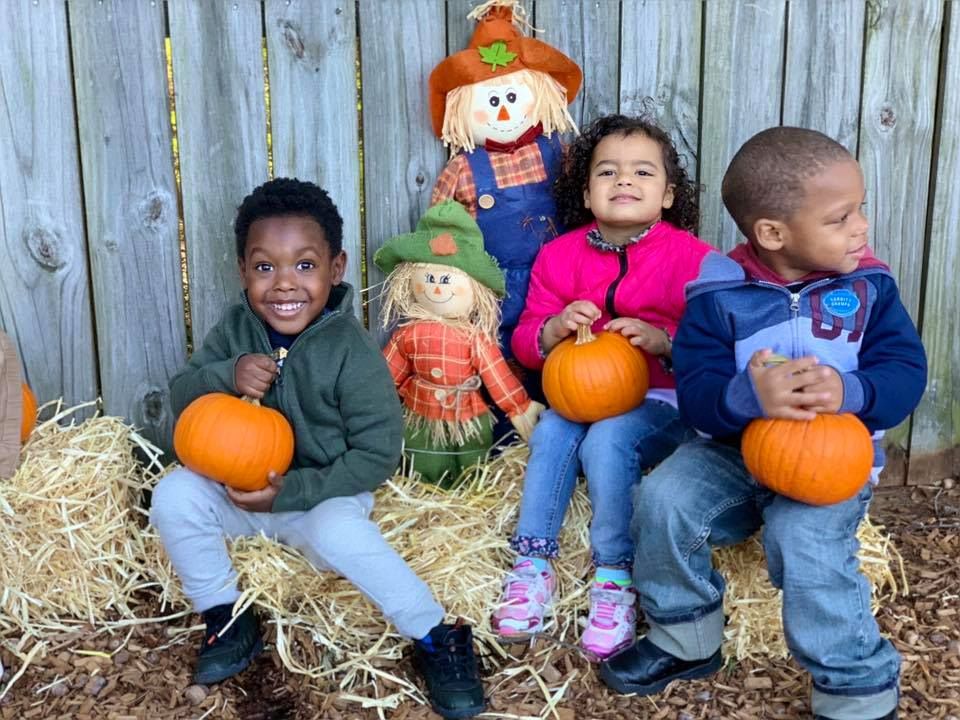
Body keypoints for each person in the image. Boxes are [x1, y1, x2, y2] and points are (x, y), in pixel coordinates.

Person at [599, 127, 926, 720]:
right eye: (841, 217)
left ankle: (854, 683)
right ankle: (686, 636)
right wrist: (746, 397)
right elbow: (697, 396)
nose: (862, 227)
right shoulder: (718, 295)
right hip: (732, 450)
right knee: (663, 499)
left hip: (834, 459)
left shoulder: (868, 287)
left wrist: (851, 390)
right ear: (773, 233)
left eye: (861, 209)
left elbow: (906, 371)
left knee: (804, 541)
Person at [150, 178, 485, 719]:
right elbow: (184, 393)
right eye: (265, 267)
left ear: (337, 267)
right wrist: (224, 372)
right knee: (173, 495)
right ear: (242, 270)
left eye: (304, 265)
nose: (284, 284)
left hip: (320, 497)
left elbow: (376, 454)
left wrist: (294, 491)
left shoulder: (351, 351)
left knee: (339, 531)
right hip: (239, 493)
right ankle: (225, 617)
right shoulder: (236, 329)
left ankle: (435, 634)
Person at [491, 115, 714, 659]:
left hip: (663, 399)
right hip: (577, 391)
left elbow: (717, 342)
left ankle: (614, 575)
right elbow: (524, 341)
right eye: (607, 172)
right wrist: (554, 327)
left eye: (642, 172)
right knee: (553, 430)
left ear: (667, 194)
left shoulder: (694, 258)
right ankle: (533, 564)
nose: (624, 182)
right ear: (587, 192)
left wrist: (665, 342)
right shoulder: (560, 255)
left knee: (608, 437)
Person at [375, 200, 544, 487]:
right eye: (429, 279)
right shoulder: (408, 334)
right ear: (410, 280)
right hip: (420, 413)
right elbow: (384, 378)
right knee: (422, 461)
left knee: (471, 463)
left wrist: (519, 407)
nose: (438, 288)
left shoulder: (474, 338)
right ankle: (424, 492)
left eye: (447, 280)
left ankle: (467, 488)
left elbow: (497, 376)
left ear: (475, 289)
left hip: (467, 416)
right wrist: (370, 403)